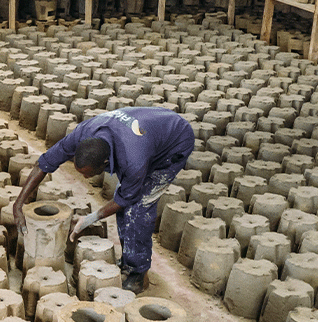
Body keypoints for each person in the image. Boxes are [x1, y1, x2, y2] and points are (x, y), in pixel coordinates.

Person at [12, 106, 196, 293]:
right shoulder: (82, 134)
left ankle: (138, 273)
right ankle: (127, 259)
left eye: (89, 174)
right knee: (126, 198)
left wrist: (90, 218)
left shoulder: (133, 160)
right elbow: (44, 163)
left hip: (175, 140)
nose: (84, 178)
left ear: (106, 163)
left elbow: (125, 199)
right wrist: (18, 203)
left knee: (138, 207)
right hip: (147, 127)